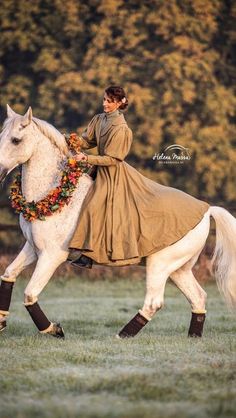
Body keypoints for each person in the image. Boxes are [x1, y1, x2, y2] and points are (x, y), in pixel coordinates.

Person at [68, 85, 209, 269]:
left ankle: (88, 254)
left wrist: (86, 158)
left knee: (93, 206)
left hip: (112, 174)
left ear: (119, 103)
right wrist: (72, 140)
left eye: (109, 102)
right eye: (104, 99)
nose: (105, 104)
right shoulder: (99, 119)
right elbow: (88, 140)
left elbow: (113, 158)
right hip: (98, 169)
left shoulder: (122, 129)